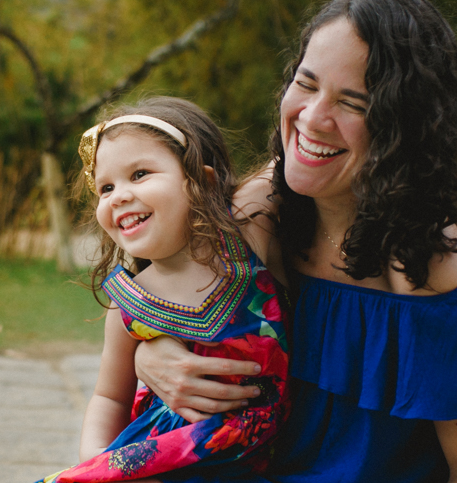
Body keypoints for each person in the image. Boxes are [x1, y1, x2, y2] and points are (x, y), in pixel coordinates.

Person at [133, 0, 457, 482]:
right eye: (307, 84)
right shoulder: (258, 212)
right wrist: (151, 354)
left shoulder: (427, 269)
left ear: (403, 127)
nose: (313, 118)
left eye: (354, 103)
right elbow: (152, 303)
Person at [40, 97, 290, 482]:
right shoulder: (128, 304)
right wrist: (99, 463)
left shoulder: (243, 242)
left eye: (139, 174)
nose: (118, 195)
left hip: (261, 460)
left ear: (202, 182)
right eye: (105, 187)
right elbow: (110, 397)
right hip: (162, 466)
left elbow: (289, 154)